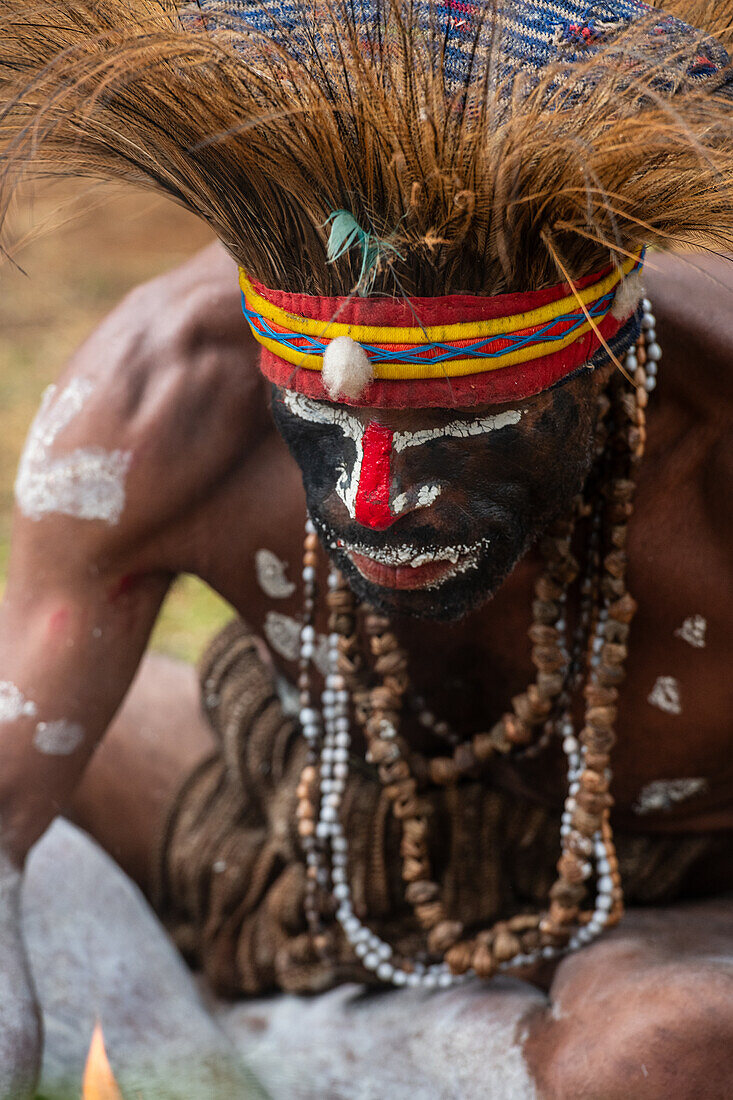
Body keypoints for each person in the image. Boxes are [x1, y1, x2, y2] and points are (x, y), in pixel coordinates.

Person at [0, 1, 731, 1096]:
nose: (374, 500)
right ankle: (334, 1045)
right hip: (292, 822)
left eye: (457, 437)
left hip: (663, 903)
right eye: (325, 428)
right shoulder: (162, 400)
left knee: (660, 1051)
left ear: (600, 373)